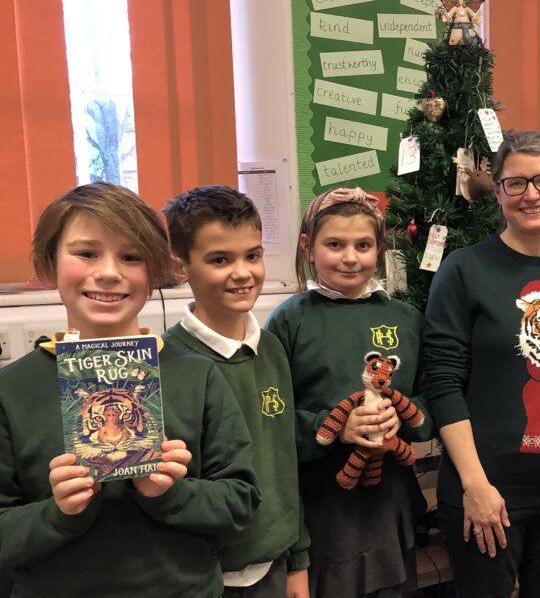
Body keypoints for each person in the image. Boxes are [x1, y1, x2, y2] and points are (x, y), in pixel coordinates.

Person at [0, 182, 259, 597]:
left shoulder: (198, 376)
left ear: (154, 271)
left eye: (131, 256)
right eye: (86, 253)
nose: (108, 271)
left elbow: (240, 500)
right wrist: (59, 512)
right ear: (50, 263)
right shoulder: (11, 390)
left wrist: (172, 494)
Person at [421, 130, 540, 598]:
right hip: (487, 492)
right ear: (500, 192)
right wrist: (475, 485)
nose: (532, 194)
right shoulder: (464, 269)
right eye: (515, 183)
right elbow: (443, 383)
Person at [265, 187, 432, 598]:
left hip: (389, 502)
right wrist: (333, 428)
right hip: (323, 506)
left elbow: (431, 403)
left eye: (363, 245)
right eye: (334, 244)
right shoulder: (289, 321)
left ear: (379, 248)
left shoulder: (406, 318)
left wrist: (404, 417)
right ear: (309, 246)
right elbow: (270, 419)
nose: (350, 257)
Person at [163, 186, 309, 598]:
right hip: (203, 575)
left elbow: (285, 459)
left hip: (275, 565)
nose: (242, 272)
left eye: (253, 255)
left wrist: (298, 559)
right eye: (220, 260)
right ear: (181, 267)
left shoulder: (273, 349)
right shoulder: (167, 363)